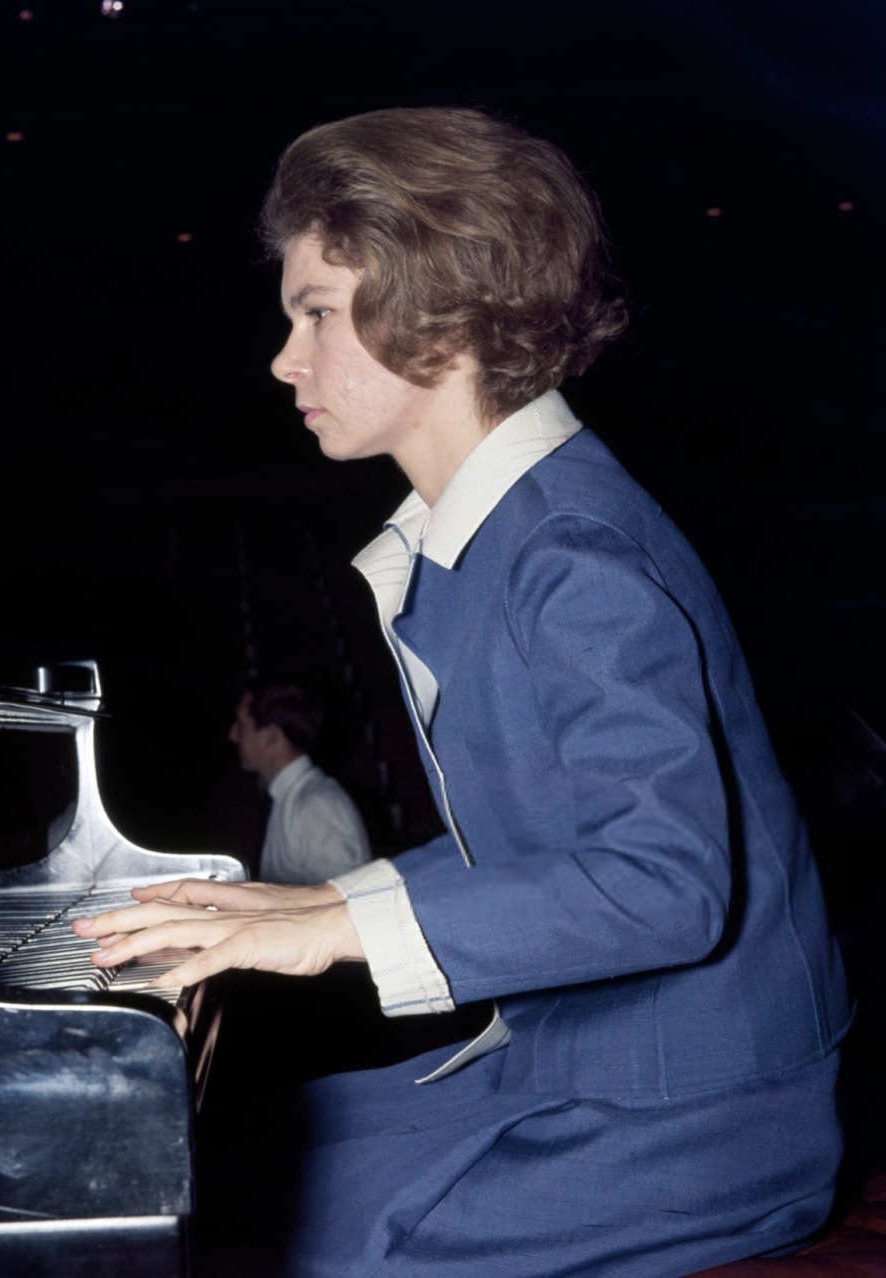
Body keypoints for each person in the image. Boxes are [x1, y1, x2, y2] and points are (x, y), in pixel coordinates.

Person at [73, 106, 853, 1277]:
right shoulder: (496, 532)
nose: (283, 358)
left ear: (438, 314)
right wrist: (301, 904)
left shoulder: (571, 553)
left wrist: (327, 931)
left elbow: (666, 887)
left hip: (697, 1117)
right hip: (595, 1068)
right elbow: (540, 845)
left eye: (315, 313)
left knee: (244, 1237)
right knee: (205, 1165)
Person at [228, 679, 372, 884]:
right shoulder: (289, 798)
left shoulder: (317, 806)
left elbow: (339, 900)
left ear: (271, 737)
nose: (233, 735)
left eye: (242, 725)